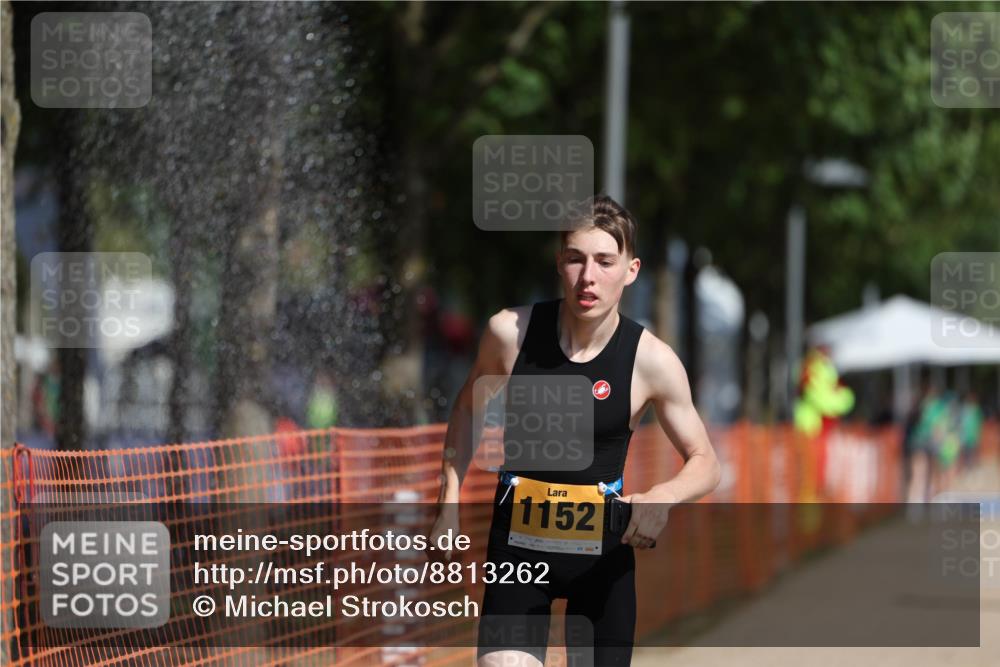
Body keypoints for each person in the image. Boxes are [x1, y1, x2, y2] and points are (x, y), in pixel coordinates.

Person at [427, 195, 721, 667]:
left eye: (605, 261)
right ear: (559, 263)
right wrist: (449, 504)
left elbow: (706, 461)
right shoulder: (510, 335)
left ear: (631, 269)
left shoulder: (653, 361)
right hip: (518, 553)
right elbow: (468, 414)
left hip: (602, 563)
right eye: (575, 259)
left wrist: (662, 497)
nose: (589, 277)